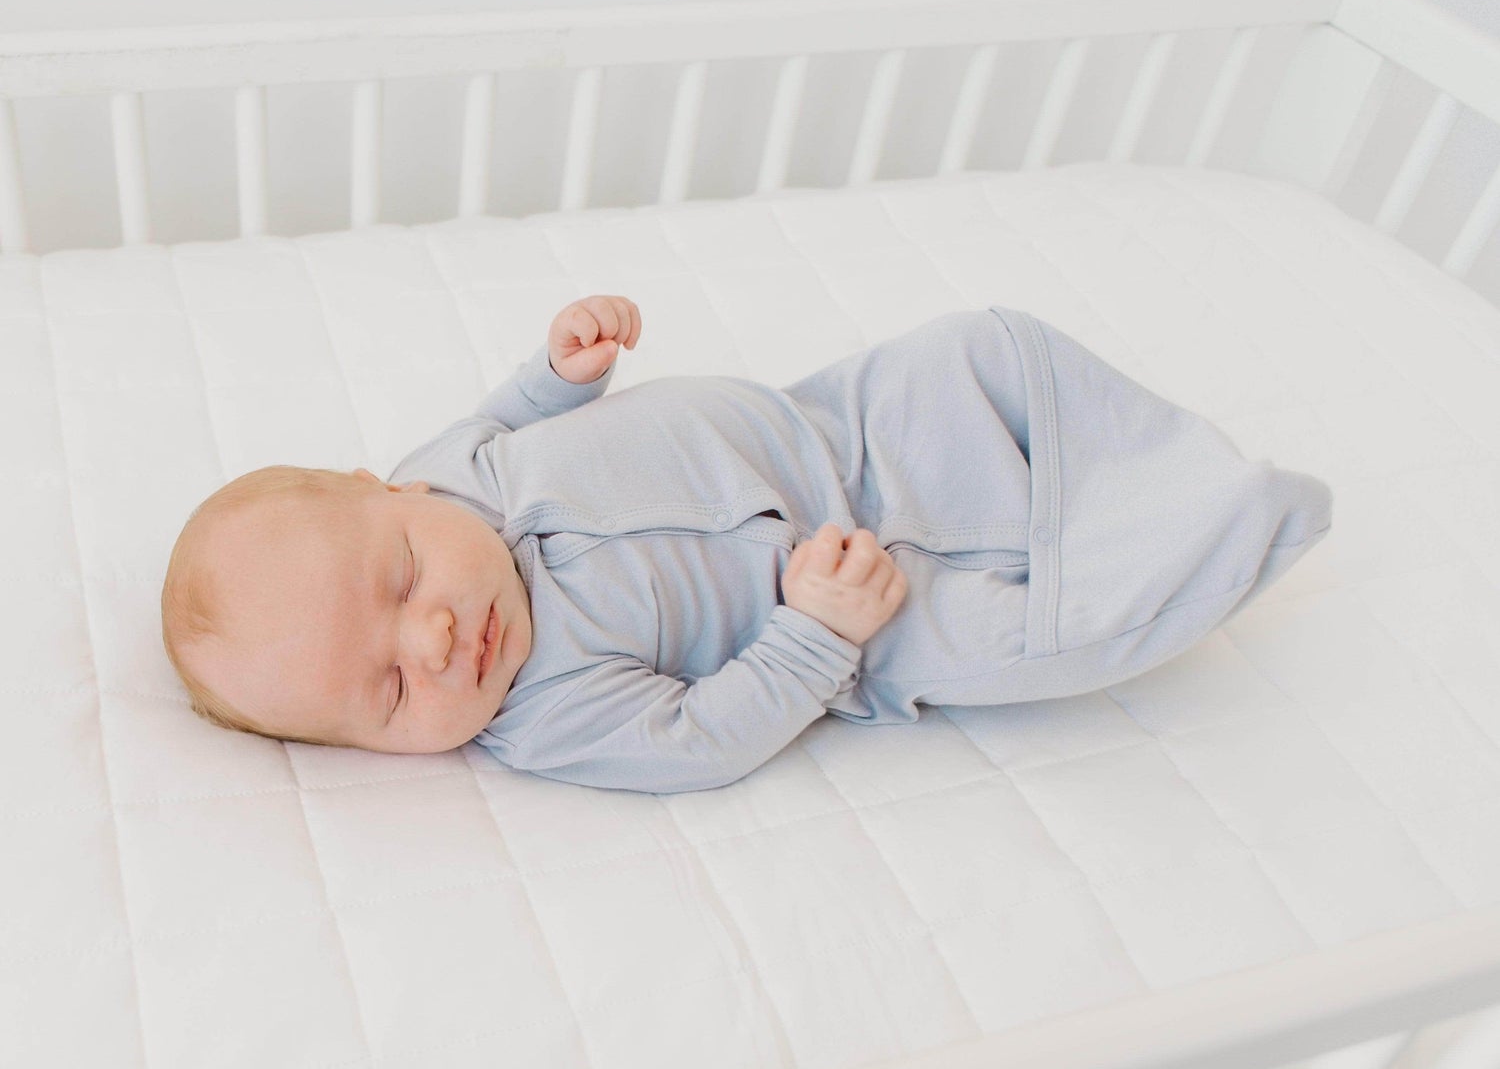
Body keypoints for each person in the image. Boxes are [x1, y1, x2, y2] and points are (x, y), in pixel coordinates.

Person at [160, 294, 1333, 794]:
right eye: (388, 693)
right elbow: (700, 739)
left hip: (830, 431)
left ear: (385, 491)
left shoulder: (443, 470)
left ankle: (1147, 458)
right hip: (851, 605)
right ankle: (1224, 530)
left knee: (981, 346)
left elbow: (507, 415)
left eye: (404, 580)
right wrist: (814, 635)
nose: (436, 638)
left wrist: (564, 368)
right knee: (1013, 639)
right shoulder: (543, 715)